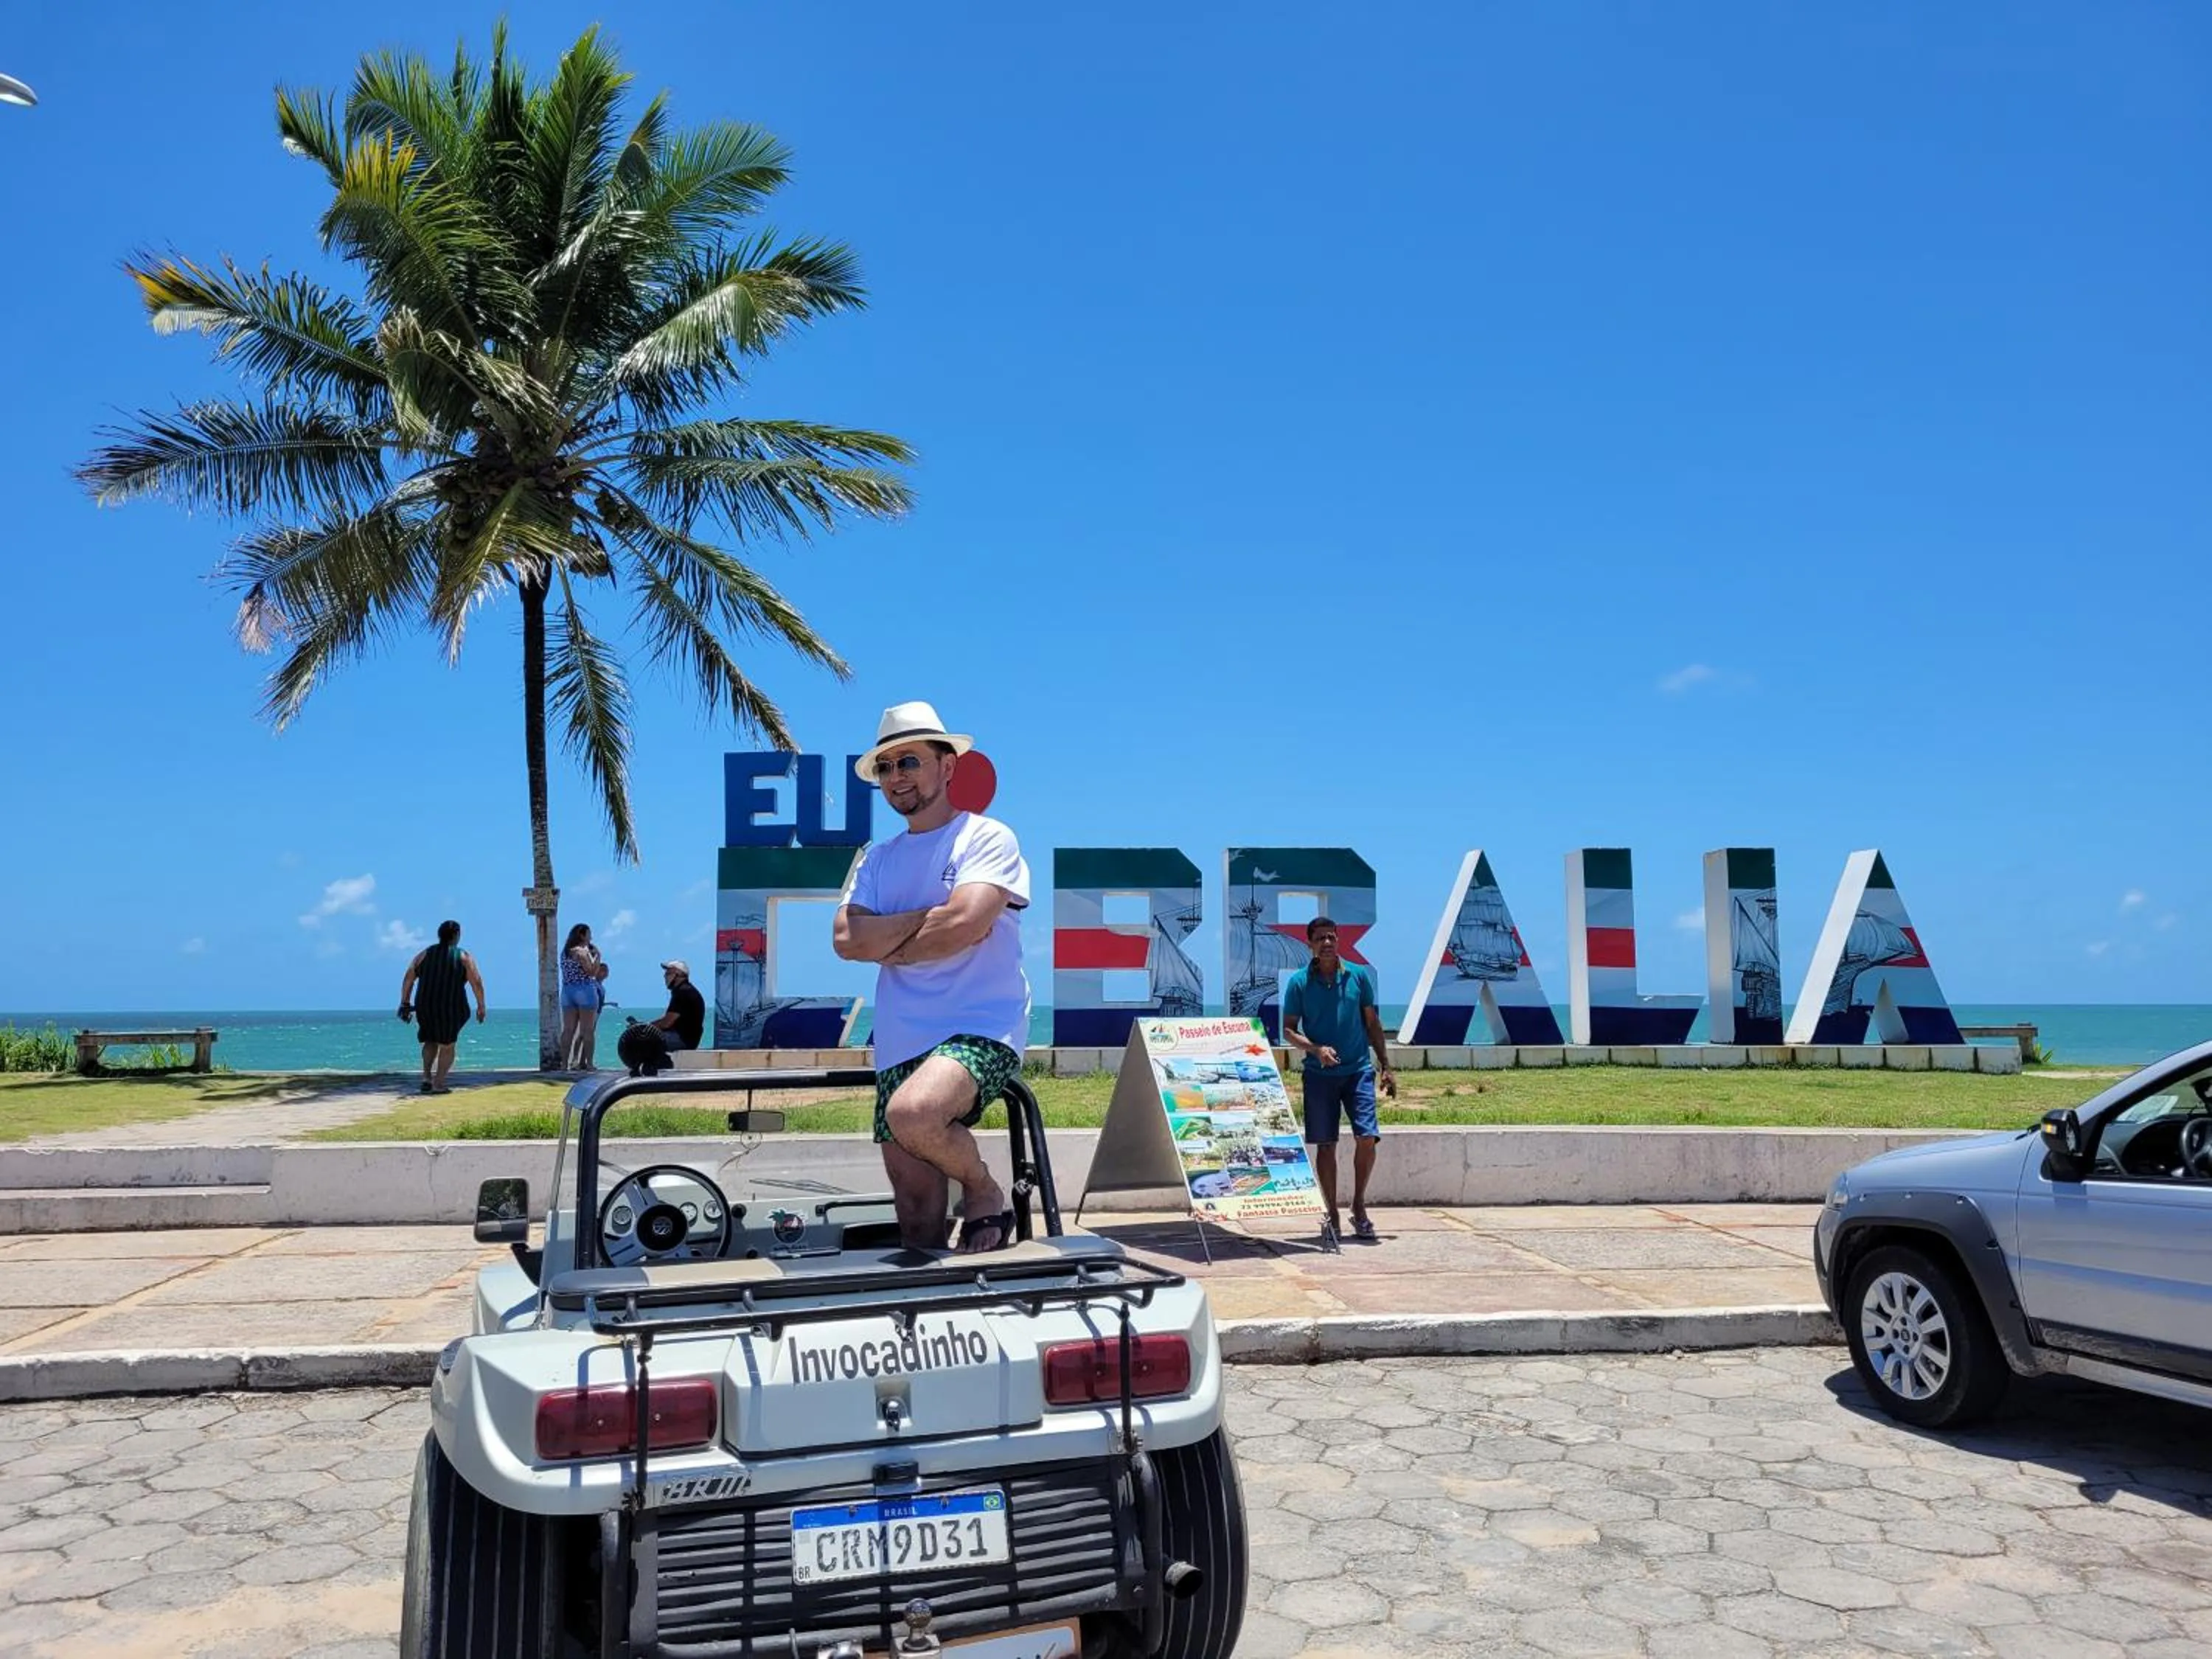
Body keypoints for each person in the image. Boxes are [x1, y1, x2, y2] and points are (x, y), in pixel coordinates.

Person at [832, 700, 1032, 1254]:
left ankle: (983, 1189)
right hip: (900, 1040)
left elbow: (965, 925)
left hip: (981, 1028)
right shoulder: (875, 859)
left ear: (947, 766)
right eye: (886, 766)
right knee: (917, 1219)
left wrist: (888, 942)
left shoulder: (987, 837)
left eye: (909, 761)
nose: (896, 776)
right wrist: (931, 918)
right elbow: (847, 940)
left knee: (913, 1114)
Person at [1281, 917, 1395, 1241]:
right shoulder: (1299, 983)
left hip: (1358, 1071)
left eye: (1331, 937)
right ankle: (1331, 1213)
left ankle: (1359, 1205)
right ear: (1310, 944)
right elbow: (1288, 1030)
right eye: (1320, 938)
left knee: (1367, 1137)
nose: (1327, 943)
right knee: (1326, 1144)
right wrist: (1315, 1050)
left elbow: (1372, 1024)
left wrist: (1386, 1065)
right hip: (1319, 1076)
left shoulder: (1358, 976)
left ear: (1338, 940)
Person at [397, 920, 487, 1095]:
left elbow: (409, 978)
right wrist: (481, 1006)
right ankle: (438, 1084)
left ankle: (426, 1078)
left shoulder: (425, 954)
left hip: (426, 1006)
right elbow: (476, 981)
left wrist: (405, 1002)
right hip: (451, 1007)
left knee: (430, 1040)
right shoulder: (462, 957)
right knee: (448, 1045)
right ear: (457, 935)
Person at [618, 959, 706, 1076]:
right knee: (643, 1037)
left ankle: (660, 1064)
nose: (665, 976)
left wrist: (643, 1028)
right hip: (682, 1037)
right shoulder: (683, 991)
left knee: (642, 1039)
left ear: (678, 975)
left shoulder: (684, 992)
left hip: (683, 1039)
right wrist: (644, 1027)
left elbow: (667, 1022)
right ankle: (650, 1066)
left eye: (668, 973)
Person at [558, 922, 609, 1071]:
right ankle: (589, 1064)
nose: (590, 937)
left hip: (567, 991)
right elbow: (591, 972)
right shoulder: (581, 952)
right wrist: (597, 956)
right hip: (584, 990)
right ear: (582, 935)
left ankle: (564, 1064)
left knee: (568, 1030)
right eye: (588, 934)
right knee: (588, 1030)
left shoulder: (565, 952)